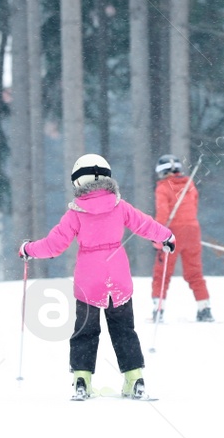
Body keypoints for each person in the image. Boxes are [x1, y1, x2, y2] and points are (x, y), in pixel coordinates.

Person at [21, 154, 174, 400]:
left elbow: (54, 245)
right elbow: (145, 225)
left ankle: (82, 380)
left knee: (85, 331)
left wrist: (28, 249)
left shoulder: (75, 213)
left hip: (88, 282)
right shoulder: (119, 206)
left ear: (78, 181)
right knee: (124, 330)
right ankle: (135, 379)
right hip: (119, 278)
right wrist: (166, 236)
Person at [150, 154, 212, 323]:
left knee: (162, 272)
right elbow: (194, 206)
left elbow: (162, 214)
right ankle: (204, 308)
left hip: (172, 232)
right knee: (195, 272)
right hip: (193, 230)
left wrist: (157, 238)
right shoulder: (189, 184)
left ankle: (158, 308)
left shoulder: (162, 187)